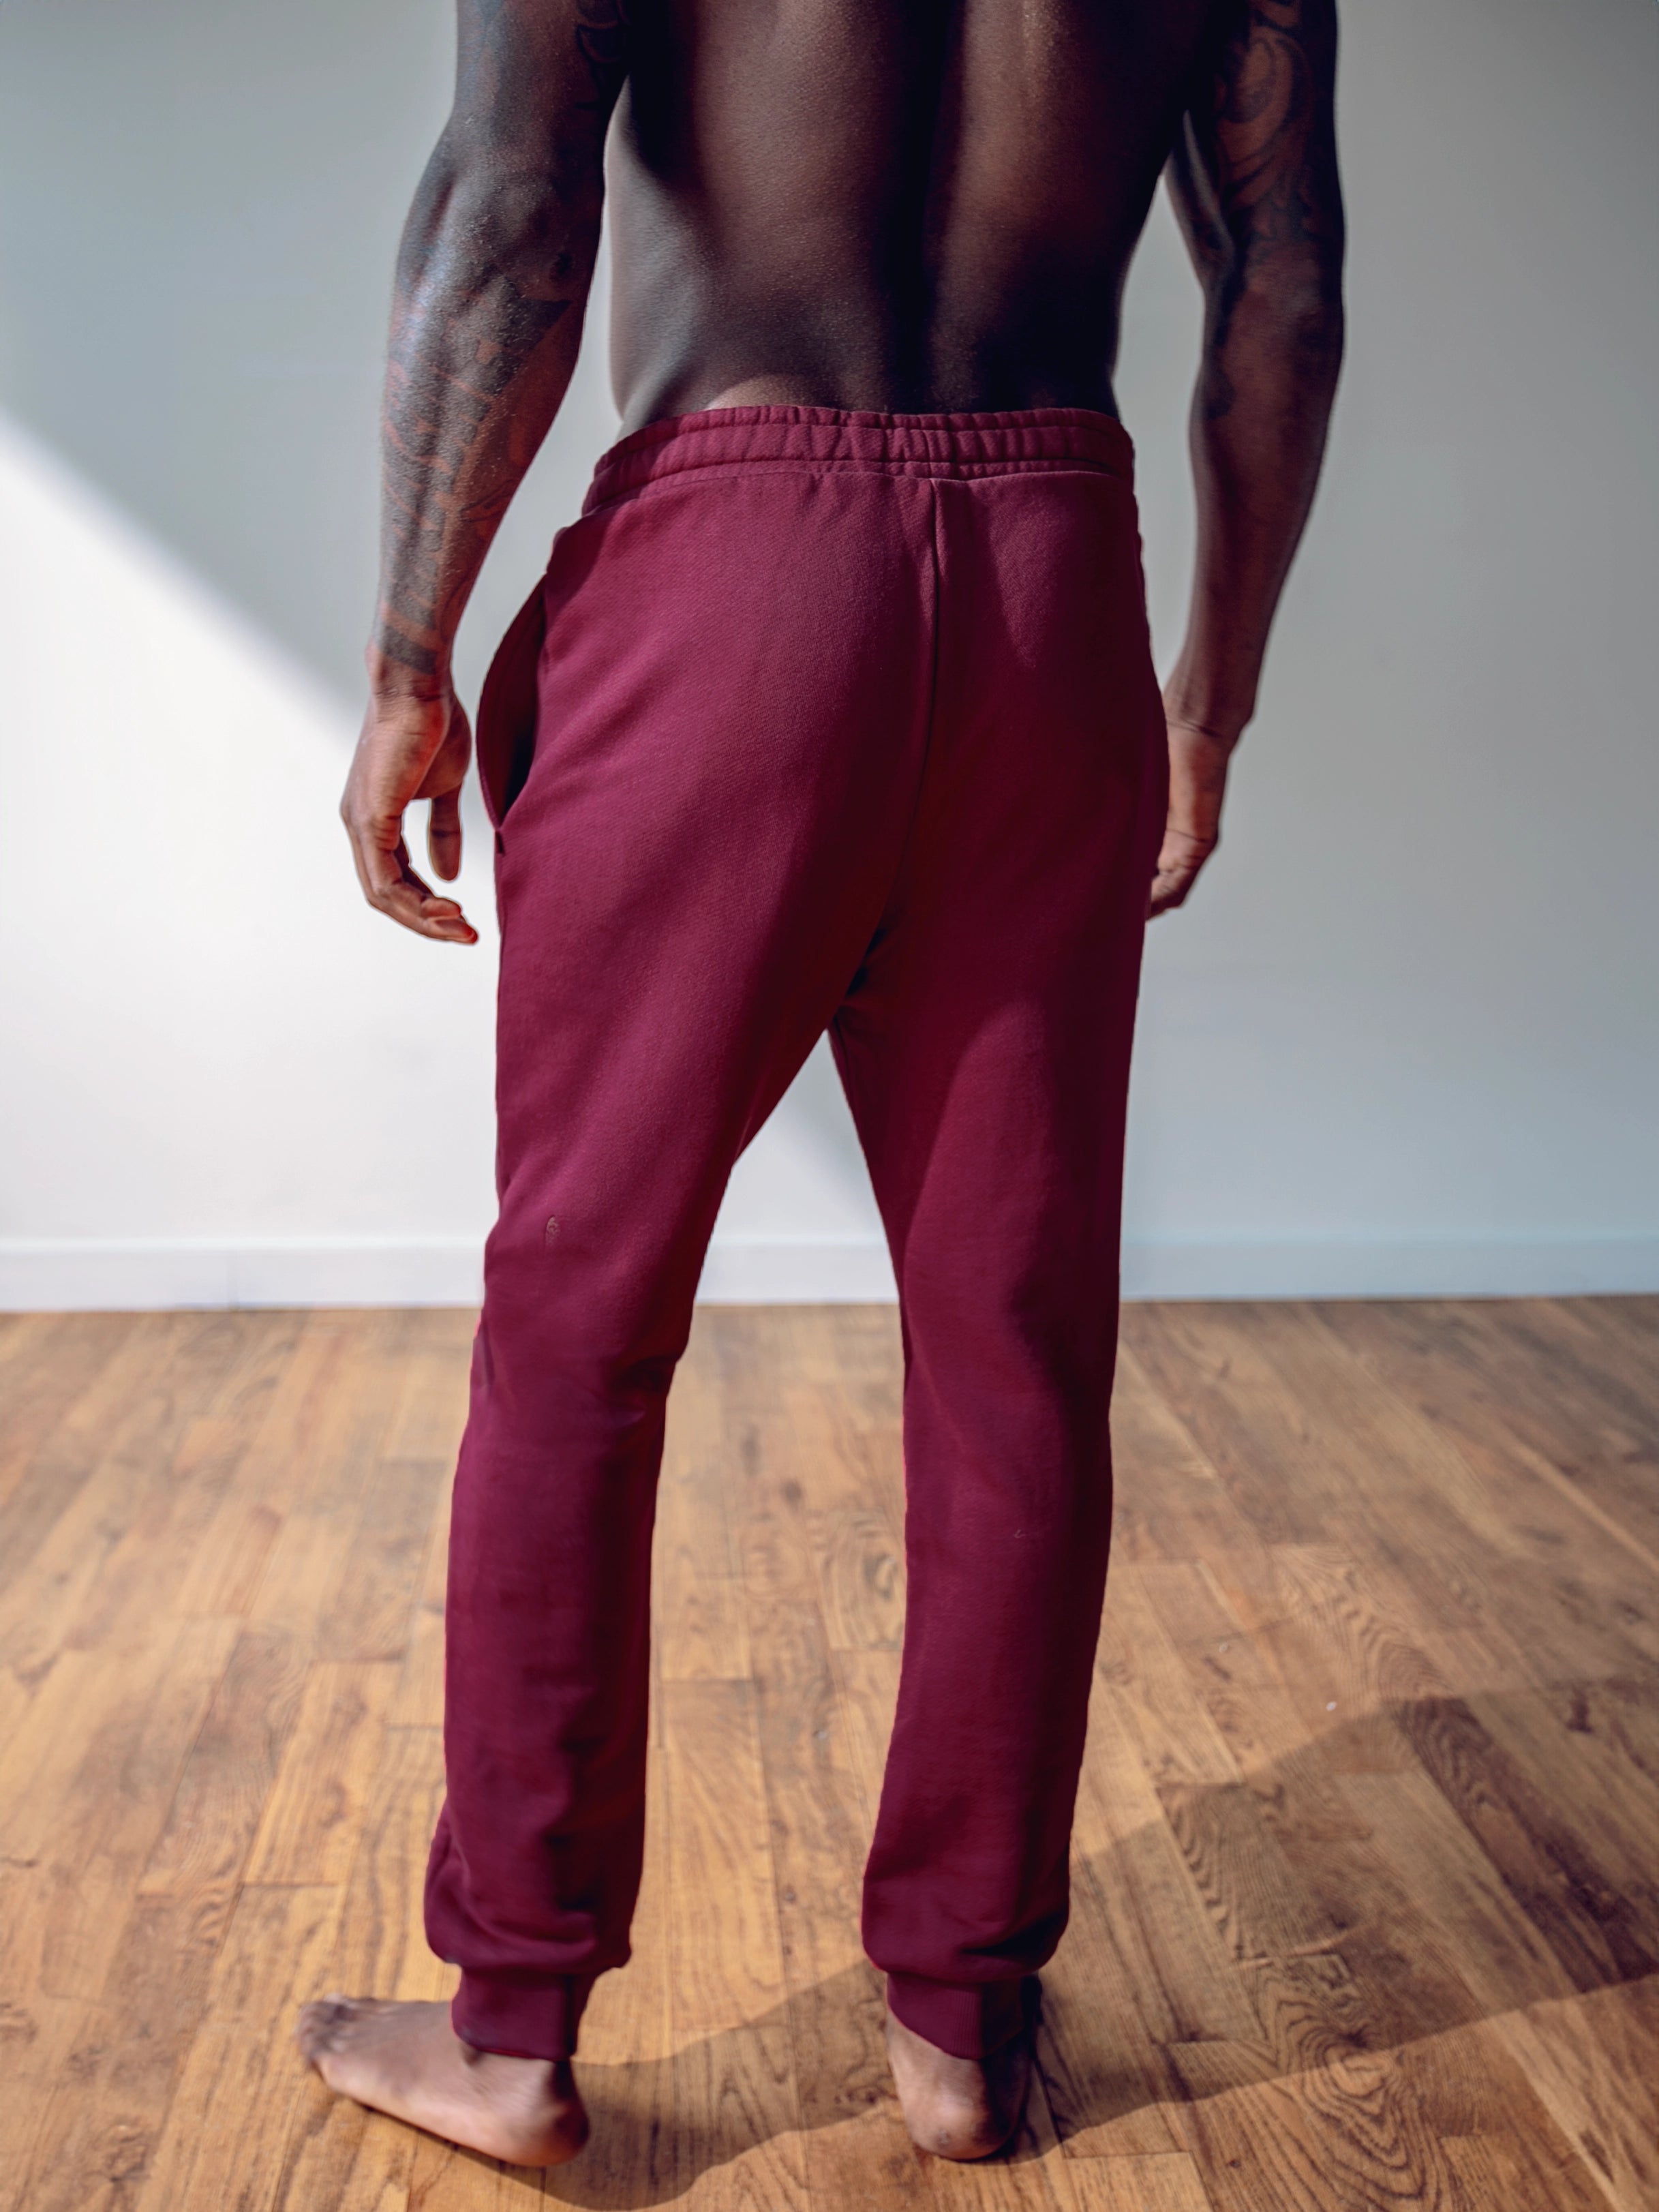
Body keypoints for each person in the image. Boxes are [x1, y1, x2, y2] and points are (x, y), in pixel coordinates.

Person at [299, 0, 1343, 2168]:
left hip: (733, 567)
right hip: (1055, 563)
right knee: (1015, 1351)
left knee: (578, 1327)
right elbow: (1283, 277)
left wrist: (411, 658)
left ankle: (513, 2027)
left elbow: (509, 218)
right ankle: (962, 2021)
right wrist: (1209, 694)